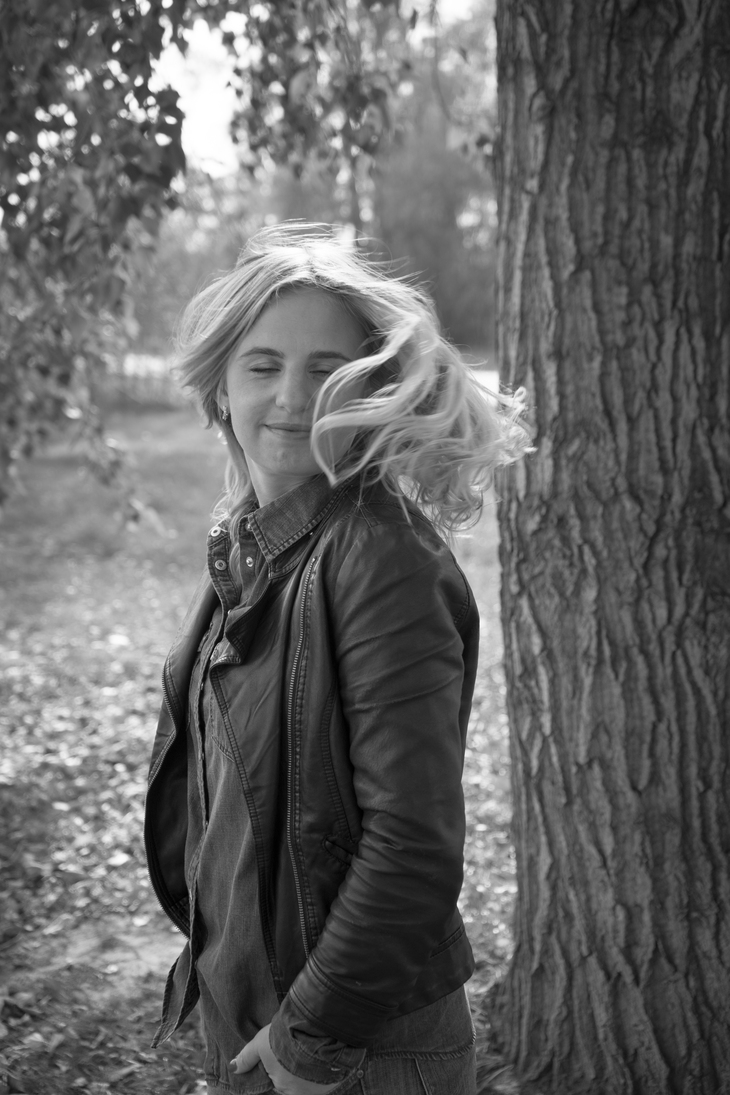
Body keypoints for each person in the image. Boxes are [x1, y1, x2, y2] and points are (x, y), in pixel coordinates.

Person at [144, 223, 529, 1095]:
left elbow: (413, 842)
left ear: (369, 388)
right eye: (263, 365)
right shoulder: (253, 545)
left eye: (327, 369)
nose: (292, 396)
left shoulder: (379, 556)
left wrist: (309, 1036)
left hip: (361, 1046)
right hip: (262, 1016)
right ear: (220, 387)